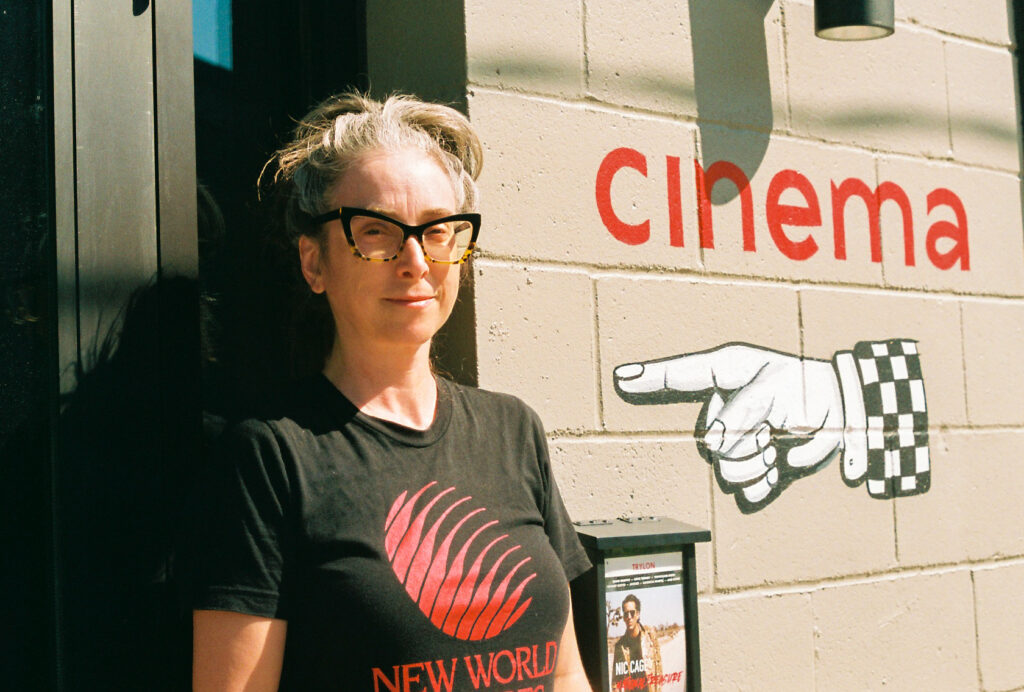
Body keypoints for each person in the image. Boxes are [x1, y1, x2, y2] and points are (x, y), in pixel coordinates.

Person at [187, 92, 593, 691]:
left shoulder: (514, 432)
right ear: (313, 263)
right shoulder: (273, 456)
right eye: (374, 231)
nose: (413, 259)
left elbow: (563, 675)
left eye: (437, 231)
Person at [611, 595, 663, 692]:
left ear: (638, 614)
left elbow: (658, 667)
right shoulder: (620, 646)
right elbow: (615, 683)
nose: (629, 617)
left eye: (632, 613)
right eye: (626, 614)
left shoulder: (650, 636)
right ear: (623, 618)